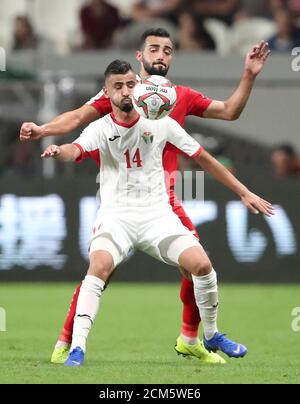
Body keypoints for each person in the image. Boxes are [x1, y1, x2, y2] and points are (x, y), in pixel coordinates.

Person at [19, 28, 270, 366]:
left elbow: (227, 114)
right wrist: (45, 131)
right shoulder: (116, 93)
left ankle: (194, 339)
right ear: (140, 57)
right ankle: (70, 342)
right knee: (102, 269)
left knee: (198, 265)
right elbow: (78, 123)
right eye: (154, 49)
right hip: (119, 204)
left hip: (162, 202)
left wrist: (248, 76)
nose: (161, 55)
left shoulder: (176, 99)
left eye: (168, 50)